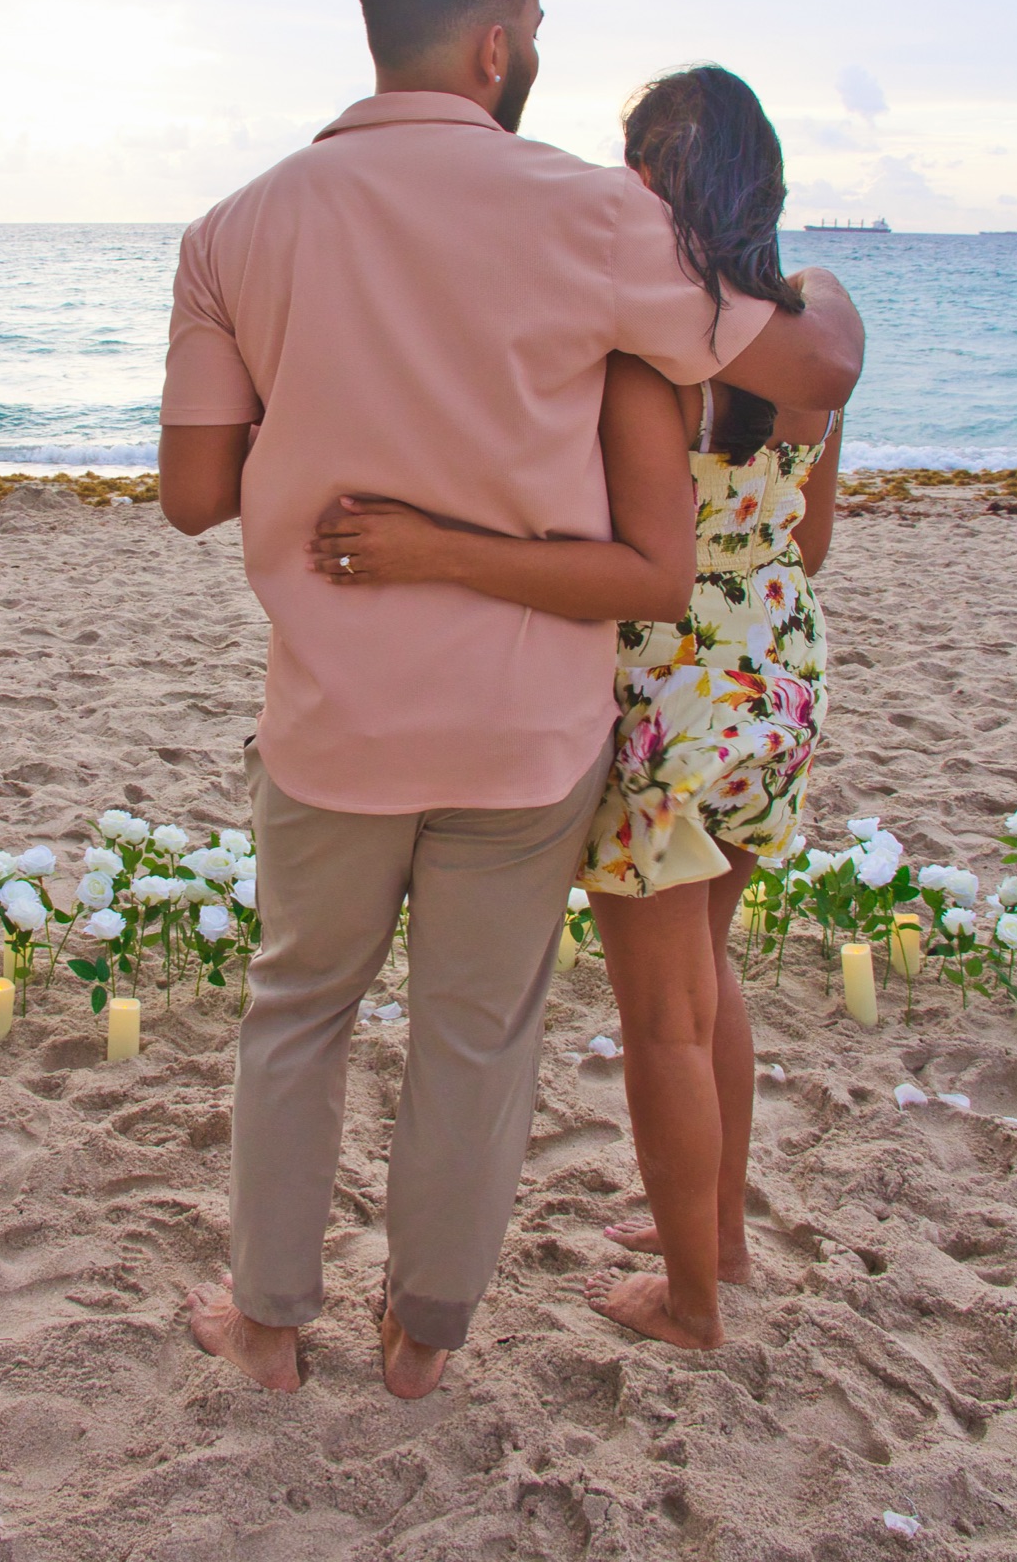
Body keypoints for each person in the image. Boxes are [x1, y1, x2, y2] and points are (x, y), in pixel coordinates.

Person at [159, 0, 863, 1397]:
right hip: (526, 729)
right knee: (476, 1037)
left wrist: (331, 411)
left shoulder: (232, 230)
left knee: (296, 1014)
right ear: (494, 43)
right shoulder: (590, 215)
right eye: (532, 30)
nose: (531, 50)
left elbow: (192, 495)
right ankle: (421, 1344)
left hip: (336, 715)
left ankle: (271, 1331)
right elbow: (802, 366)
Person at [308, 65, 848, 1353]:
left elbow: (636, 563)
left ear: (654, 183)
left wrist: (434, 545)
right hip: (779, 672)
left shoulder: (646, 360)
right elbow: (812, 543)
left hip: (671, 696)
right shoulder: (812, 328)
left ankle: (697, 1305)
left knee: (661, 1008)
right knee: (708, 975)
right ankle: (709, 1232)